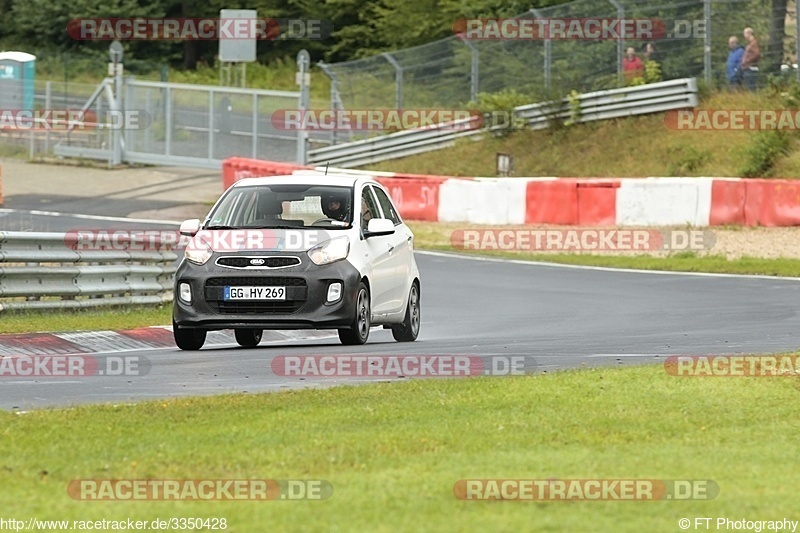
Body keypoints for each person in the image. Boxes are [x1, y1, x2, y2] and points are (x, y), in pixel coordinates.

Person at [741, 27, 760, 91]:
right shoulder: (750, 43)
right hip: (748, 67)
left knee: (751, 88)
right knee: (749, 87)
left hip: (751, 67)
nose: (744, 35)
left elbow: (757, 54)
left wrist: (747, 60)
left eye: (744, 33)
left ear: (749, 33)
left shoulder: (753, 43)